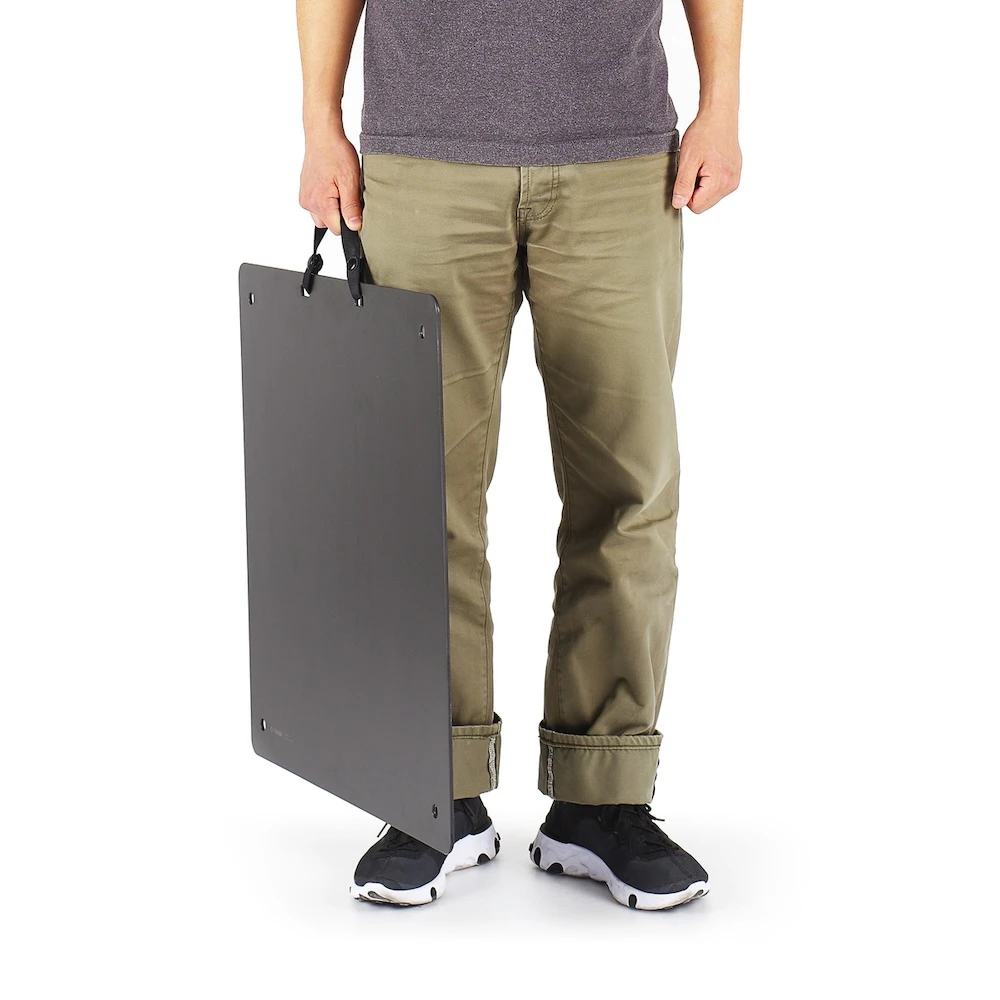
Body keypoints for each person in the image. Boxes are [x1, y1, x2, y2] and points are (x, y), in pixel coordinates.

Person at [296, 0, 742, 909]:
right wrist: (319, 122)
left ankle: (602, 797)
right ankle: (436, 793)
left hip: (621, 157)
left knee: (629, 487)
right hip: (423, 158)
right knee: (421, 491)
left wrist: (722, 104)